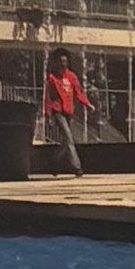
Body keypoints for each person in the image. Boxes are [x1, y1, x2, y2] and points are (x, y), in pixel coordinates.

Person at [42, 46, 92, 176]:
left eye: (65, 62)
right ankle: (77, 167)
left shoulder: (71, 77)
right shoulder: (52, 78)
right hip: (58, 111)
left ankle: (53, 164)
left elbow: (78, 93)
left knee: (66, 142)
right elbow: (48, 97)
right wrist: (47, 115)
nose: (63, 65)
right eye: (61, 62)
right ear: (56, 63)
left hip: (69, 111)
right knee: (69, 139)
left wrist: (87, 104)